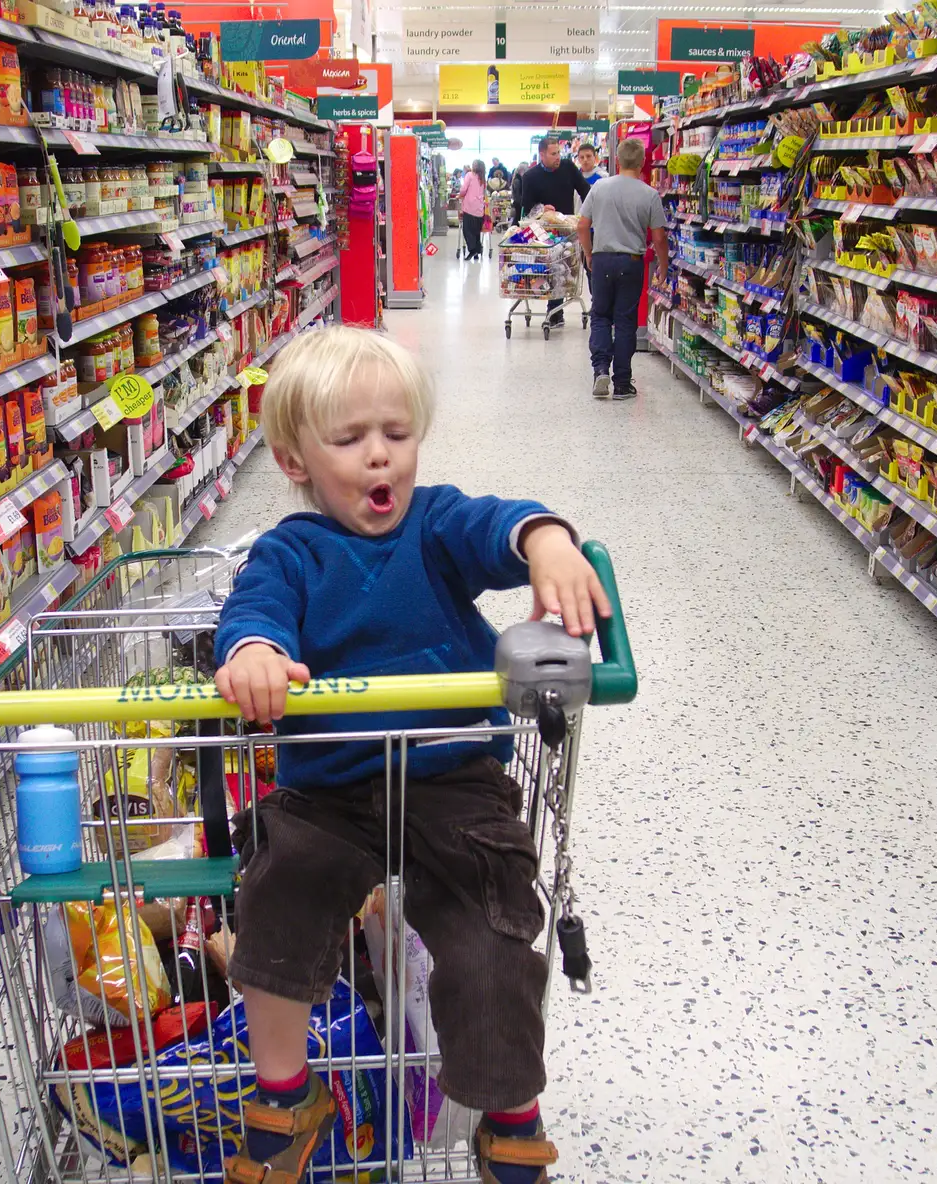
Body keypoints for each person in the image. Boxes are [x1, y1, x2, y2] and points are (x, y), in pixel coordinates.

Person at [211, 326, 611, 1184]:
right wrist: (252, 654)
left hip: (454, 776)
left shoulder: (434, 525)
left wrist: (543, 538)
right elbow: (257, 606)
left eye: (397, 435)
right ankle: (285, 1095)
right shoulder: (293, 551)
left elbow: (490, 524)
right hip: (331, 790)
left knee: (493, 935)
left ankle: (511, 1111)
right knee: (273, 900)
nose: (380, 459)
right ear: (294, 461)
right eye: (350, 440)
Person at [576, 136, 669, 401]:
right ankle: (623, 383)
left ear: (617, 160)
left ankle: (601, 369)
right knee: (625, 321)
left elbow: (582, 225)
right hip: (632, 262)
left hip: (603, 258)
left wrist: (589, 253)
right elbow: (659, 238)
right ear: (641, 163)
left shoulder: (600, 188)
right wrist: (663, 267)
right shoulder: (649, 194)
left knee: (601, 315)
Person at [515, 137, 591, 328]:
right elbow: (526, 207)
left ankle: (560, 310)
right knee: (553, 269)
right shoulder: (530, 177)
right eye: (553, 153)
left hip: (569, 229)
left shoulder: (568, 168)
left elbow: (585, 191)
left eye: (559, 152)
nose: (558, 157)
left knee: (572, 269)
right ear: (542, 155)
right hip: (544, 233)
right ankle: (555, 310)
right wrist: (541, 209)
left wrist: (587, 216)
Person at [458, 158, 488, 260]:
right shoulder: (483, 179)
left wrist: (460, 195)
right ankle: (477, 251)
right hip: (479, 209)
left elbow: (463, 189)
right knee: (476, 231)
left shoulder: (469, 175)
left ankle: (472, 250)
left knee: (467, 230)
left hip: (470, 207)